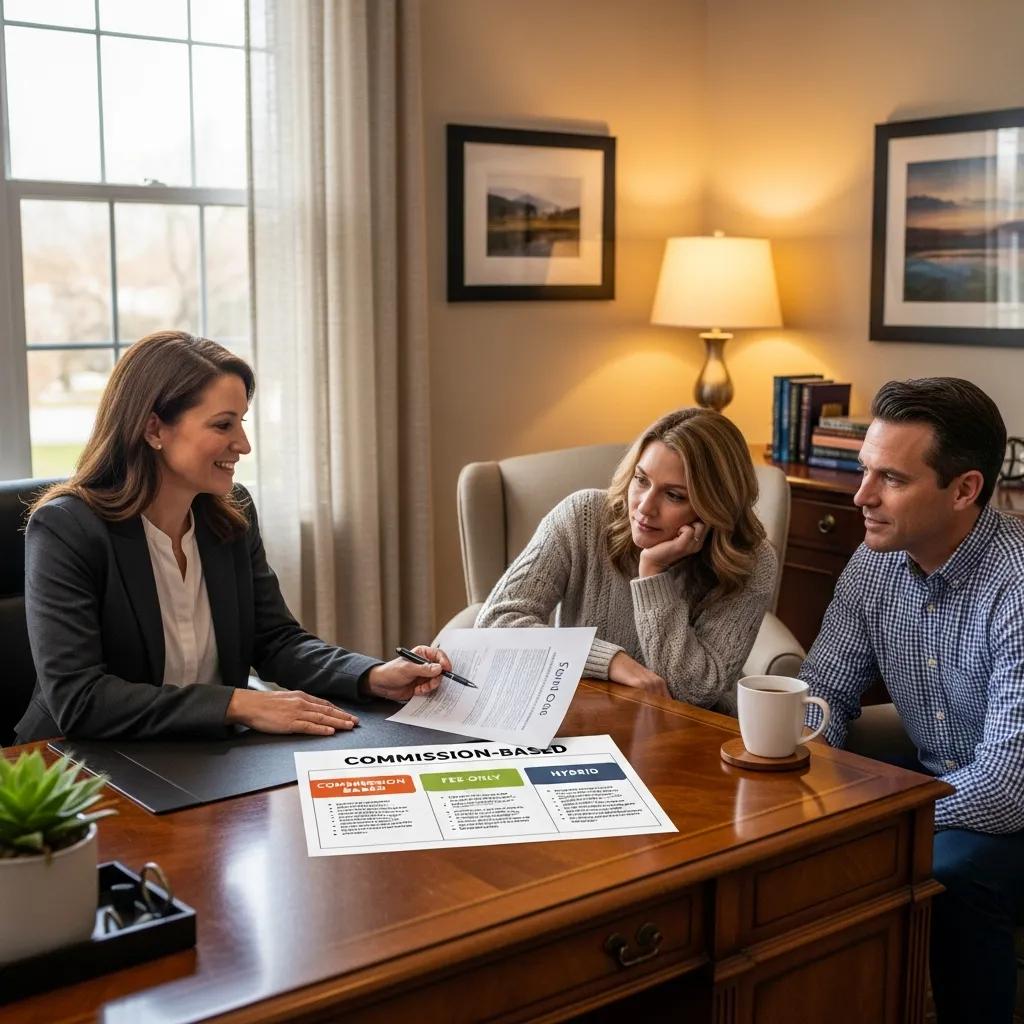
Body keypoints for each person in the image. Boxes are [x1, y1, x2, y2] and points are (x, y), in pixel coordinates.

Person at [16, 330, 448, 743]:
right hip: (76, 766)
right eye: (223, 425)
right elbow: (79, 698)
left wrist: (372, 676)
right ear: (154, 430)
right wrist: (237, 705)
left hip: (204, 755)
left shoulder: (230, 513)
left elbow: (276, 641)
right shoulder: (67, 528)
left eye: (241, 422)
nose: (243, 445)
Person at [800, 377, 1024, 1024]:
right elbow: (824, 691)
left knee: (948, 869)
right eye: (865, 471)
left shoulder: (1015, 587)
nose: (861, 496)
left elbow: (1008, 787)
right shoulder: (876, 561)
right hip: (948, 776)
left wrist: (872, 818)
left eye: (891, 480)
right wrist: (804, 767)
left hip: (1015, 802)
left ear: (964, 490)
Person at [475, 407, 776, 711]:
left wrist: (652, 574)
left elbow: (694, 693)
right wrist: (611, 661)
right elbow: (493, 625)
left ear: (715, 505)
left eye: (674, 495)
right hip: (582, 723)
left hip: (687, 740)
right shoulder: (583, 518)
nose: (645, 507)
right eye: (641, 480)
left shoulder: (751, 562)